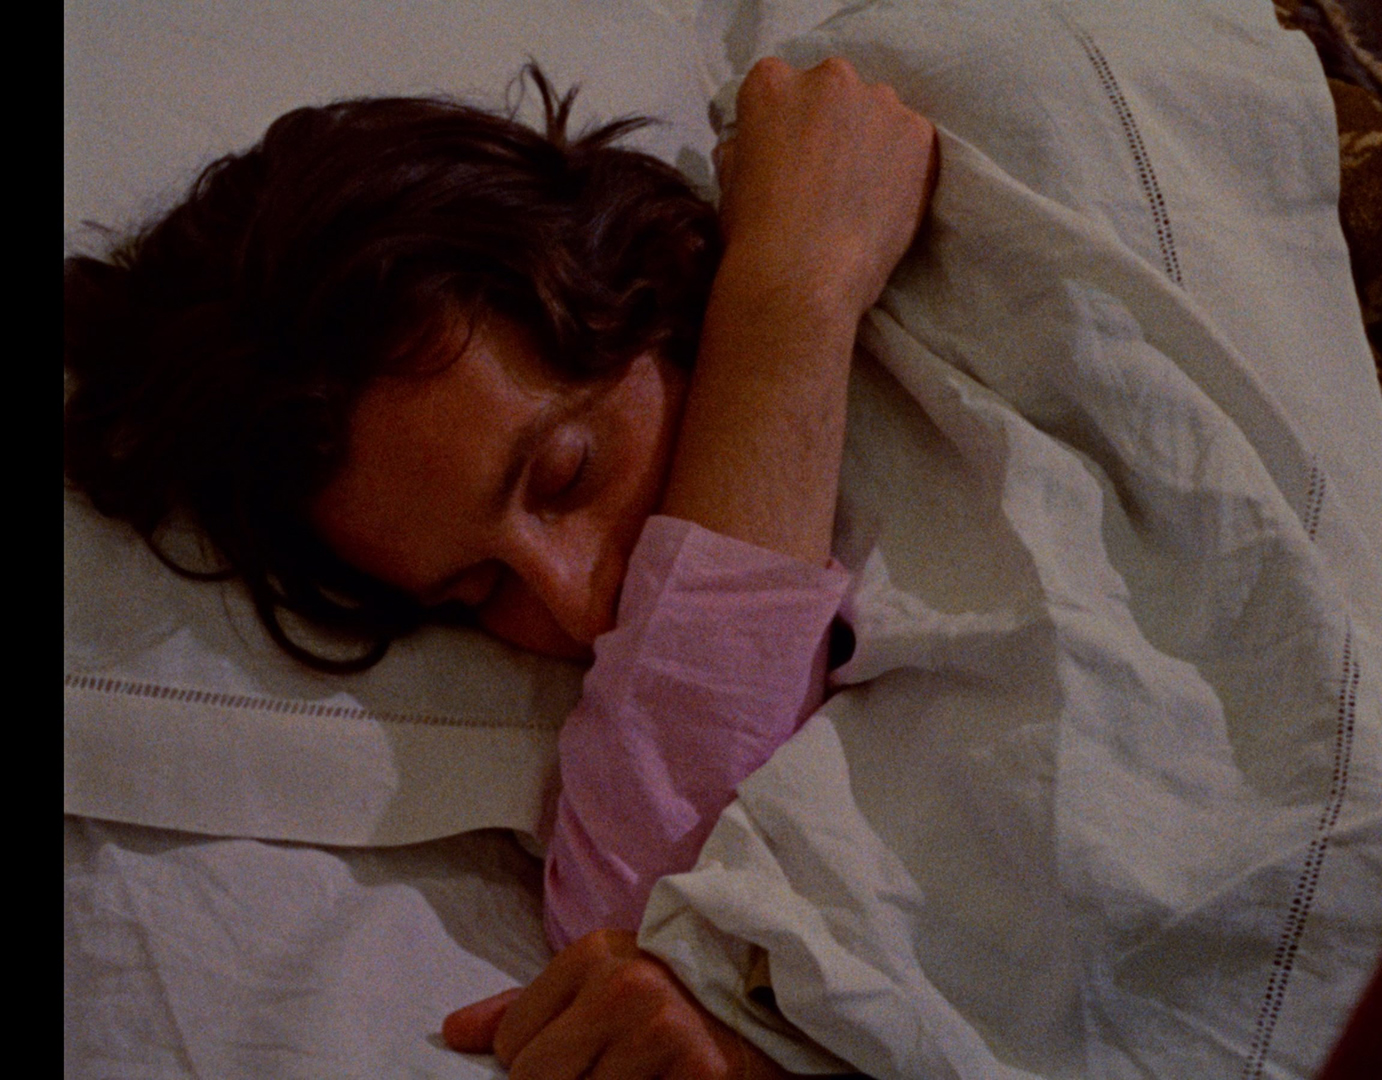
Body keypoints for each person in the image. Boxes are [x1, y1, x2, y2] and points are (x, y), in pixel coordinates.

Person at [65, 57, 937, 1079]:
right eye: (480, 590)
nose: (580, 605)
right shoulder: (787, 289)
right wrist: (793, 299)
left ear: (651, 287)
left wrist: (786, 295)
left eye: (567, 472)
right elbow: (663, 917)